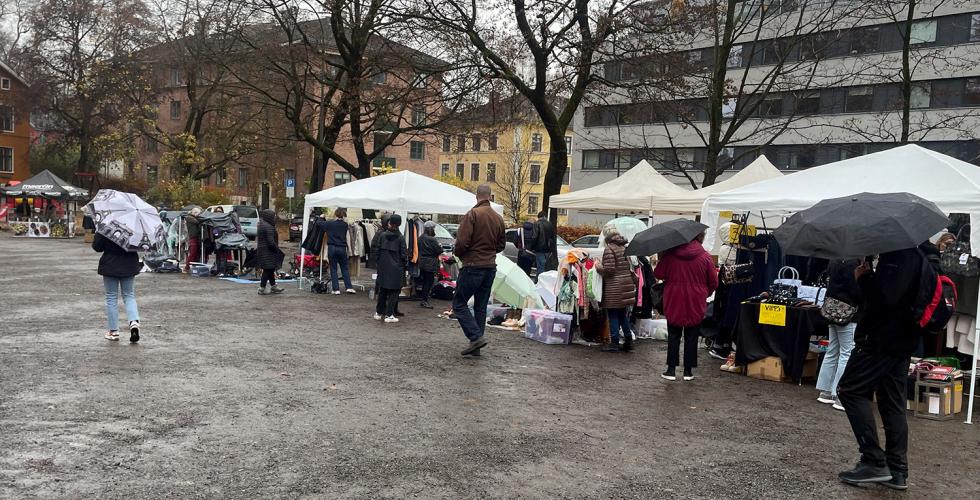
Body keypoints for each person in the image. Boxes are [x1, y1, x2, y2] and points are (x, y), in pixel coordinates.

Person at [836, 246, 930, 491]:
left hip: (882, 340)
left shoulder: (898, 257)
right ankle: (897, 470)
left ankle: (874, 460)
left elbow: (885, 300)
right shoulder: (915, 255)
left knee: (849, 390)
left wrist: (864, 278)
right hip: (901, 340)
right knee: (892, 402)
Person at [654, 232, 718, 381]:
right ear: (700, 237)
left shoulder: (670, 255)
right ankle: (688, 372)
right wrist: (704, 294)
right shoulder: (705, 257)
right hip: (696, 299)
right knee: (692, 335)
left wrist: (663, 257)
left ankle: (671, 370)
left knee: (674, 334)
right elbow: (714, 281)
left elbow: (658, 273)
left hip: (673, 298)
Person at [453, 184, 506, 356]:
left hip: (473, 265)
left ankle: (475, 337)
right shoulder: (498, 218)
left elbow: (462, 242)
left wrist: (460, 255)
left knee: (459, 304)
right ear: (490, 197)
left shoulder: (473, 214)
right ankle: (476, 343)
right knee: (481, 306)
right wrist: (488, 253)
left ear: (477, 196)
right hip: (490, 266)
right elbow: (501, 245)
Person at [815, 259, 862, 411]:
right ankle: (840, 394)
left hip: (832, 308)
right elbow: (855, 290)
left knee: (832, 350)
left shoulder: (834, 260)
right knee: (847, 352)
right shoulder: (853, 263)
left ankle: (826, 391)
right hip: (848, 311)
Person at [93, 233, 142, 342]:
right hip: (129, 264)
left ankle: (113, 331)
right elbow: (139, 245)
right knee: (129, 295)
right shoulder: (133, 227)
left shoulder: (106, 225)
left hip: (110, 264)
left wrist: (98, 234)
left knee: (111, 297)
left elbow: (97, 247)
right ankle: (134, 322)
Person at [596, 227, 636, 352]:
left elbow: (610, 270)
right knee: (622, 315)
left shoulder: (610, 249)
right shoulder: (623, 247)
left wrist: (598, 267)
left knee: (613, 315)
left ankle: (614, 343)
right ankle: (628, 341)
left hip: (615, 287)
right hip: (625, 285)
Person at [373, 214, 407, 322]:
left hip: (383, 267)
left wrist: (380, 264)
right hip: (396, 269)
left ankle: (379, 312)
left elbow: (377, 252)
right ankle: (389, 314)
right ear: (399, 224)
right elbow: (403, 255)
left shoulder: (382, 235)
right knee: (394, 292)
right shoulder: (401, 238)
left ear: (389, 223)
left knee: (382, 290)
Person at [322, 208, 355, 295]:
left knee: (333, 268)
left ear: (335, 214)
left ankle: (336, 289)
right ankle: (349, 287)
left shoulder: (329, 224)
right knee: (344, 268)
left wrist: (321, 217)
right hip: (342, 248)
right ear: (344, 215)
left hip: (332, 248)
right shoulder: (345, 225)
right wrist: (350, 251)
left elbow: (319, 224)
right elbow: (347, 238)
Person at [256, 209, 285, 295]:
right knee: (267, 270)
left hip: (263, 251)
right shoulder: (268, 227)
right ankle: (262, 288)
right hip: (268, 252)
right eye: (273, 216)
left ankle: (273, 286)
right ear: (269, 217)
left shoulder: (262, 224)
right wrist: (276, 250)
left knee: (270, 269)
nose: (275, 217)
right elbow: (271, 242)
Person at [418, 221, 444, 309]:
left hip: (422, 261)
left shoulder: (421, 237)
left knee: (425, 281)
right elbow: (439, 250)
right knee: (428, 282)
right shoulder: (432, 239)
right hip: (430, 262)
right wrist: (439, 246)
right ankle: (424, 301)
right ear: (430, 229)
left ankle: (424, 299)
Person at [533, 211, 556, 275]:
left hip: (539, 249)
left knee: (540, 267)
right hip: (548, 250)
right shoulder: (550, 224)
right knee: (545, 266)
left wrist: (533, 247)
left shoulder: (536, 224)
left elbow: (534, 237)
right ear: (544, 217)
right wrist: (552, 249)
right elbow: (553, 238)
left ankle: (539, 282)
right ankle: (540, 281)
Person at [183, 207, 203, 273]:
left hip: (196, 237)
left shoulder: (191, 218)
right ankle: (186, 267)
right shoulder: (189, 218)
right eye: (197, 213)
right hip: (192, 238)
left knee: (195, 253)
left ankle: (191, 267)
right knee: (192, 253)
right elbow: (197, 222)